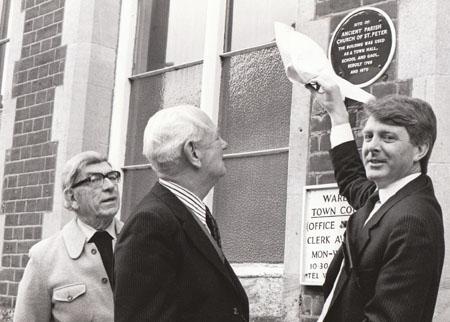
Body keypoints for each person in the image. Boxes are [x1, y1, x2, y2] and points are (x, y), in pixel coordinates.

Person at [308, 75, 445, 322]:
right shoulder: (383, 198)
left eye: (388, 137)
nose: (372, 146)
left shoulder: (412, 221)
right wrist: (338, 115)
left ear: (420, 149)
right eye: (368, 136)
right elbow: (351, 180)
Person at [114, 104, 249, 322]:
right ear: (193, 152)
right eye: (216, 138)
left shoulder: (190, 214)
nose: (225, 145)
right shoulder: (150, 224)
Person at [14, 151, 123, 322]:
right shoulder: (44, 258)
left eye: (112, 176)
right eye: (94, 180)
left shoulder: (142, 242)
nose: (109, 186)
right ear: (71, 197)